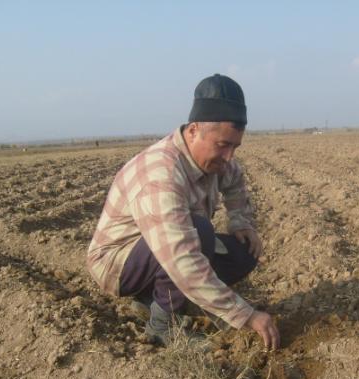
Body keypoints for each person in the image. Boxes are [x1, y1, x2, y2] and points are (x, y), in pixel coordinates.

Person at [87, 74, 280, 350]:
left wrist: (241, 222)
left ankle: (156, 300)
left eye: (235, 146)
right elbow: (181, 257)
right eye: (222, 145)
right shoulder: (160, 175)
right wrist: (245, 315)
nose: (229, 157)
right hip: (118, 264)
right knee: (199, 232)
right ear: (193, 131)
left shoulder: (217, 162)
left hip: (165, 249)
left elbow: (235, 180)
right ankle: (162, 325)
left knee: (243, 251)